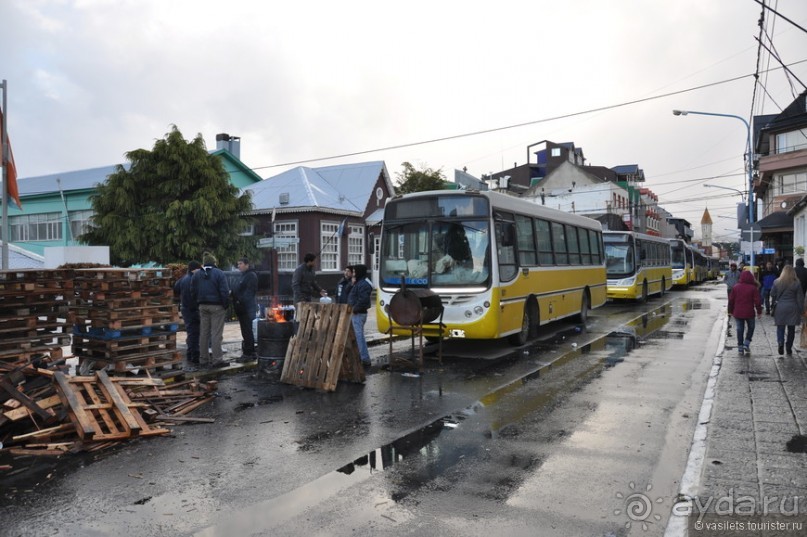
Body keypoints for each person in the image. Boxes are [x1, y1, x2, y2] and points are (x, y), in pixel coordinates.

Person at [191, 253, 230, 369]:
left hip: (202, 306)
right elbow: (224, 291)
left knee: (204, 333)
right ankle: (217, 360)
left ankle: (203, 359)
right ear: (214, 262)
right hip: (217, 306)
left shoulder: (197, 274)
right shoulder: (219, 273)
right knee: (216, 334)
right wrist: (225, 305)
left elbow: (192, 290)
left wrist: (198, 302)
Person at [770, 264, 804, 357]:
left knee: (780, 327)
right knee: (791, 329)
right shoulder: (796, 283)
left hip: (780, 307)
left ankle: (780, 343)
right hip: (793, 307)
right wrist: (801, 310)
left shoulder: (777, 282)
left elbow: (772, 293)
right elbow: (800, 298)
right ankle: (788, 347)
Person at [174, 260, 202, 371]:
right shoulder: (194, 279)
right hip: (193, 309)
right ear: (195, 269)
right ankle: (194, 356)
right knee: (195, 333)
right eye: (199, 269)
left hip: (185, 309)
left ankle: (190, 353)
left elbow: (175, 288)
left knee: (191, 332)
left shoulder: (182, 279)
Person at [728, 270, 763, 356]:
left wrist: (730, 311)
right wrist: (759, 312)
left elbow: (731, 301)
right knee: (751, 327)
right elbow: (757, 302)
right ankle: (746, 342)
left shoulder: (736, 287)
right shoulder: (753, 288)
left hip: (738, 312)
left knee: (740, 329)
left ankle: (740, 347)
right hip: (749, 312)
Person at [347, 264, 373, 367]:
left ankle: (364, 358)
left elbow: (363, 300)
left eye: (354, 272)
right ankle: (363, 357)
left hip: (358, 313)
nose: (353, 274)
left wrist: (354, 309)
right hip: (357, 312)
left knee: (359, 336)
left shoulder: (363, 284)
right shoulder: (358, 283)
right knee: (359, 336)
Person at [233, 257, 258, 363]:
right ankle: (249, 351)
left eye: (241, 263)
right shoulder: (243, 275)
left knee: (247, 330)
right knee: (245, 331)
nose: (239, 266)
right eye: (238, 264)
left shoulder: (251, 276)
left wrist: (240, 301)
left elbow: (249, 291)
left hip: (247, 308)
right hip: (242, 308)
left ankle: (249, 352)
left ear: (247, 265)